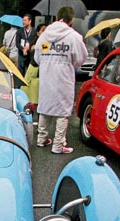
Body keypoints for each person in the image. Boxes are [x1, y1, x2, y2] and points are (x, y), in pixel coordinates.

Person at [34, 6, 87, 154]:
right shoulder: (73, 37)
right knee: (62, 111)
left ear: (57, 17)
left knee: (44, 108)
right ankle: (58, 145)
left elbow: (37, 57)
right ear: (71, 20)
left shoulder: (44, 35)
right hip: (64, 77)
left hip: (46, 76)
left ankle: (41, 139)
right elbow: (80, 58)